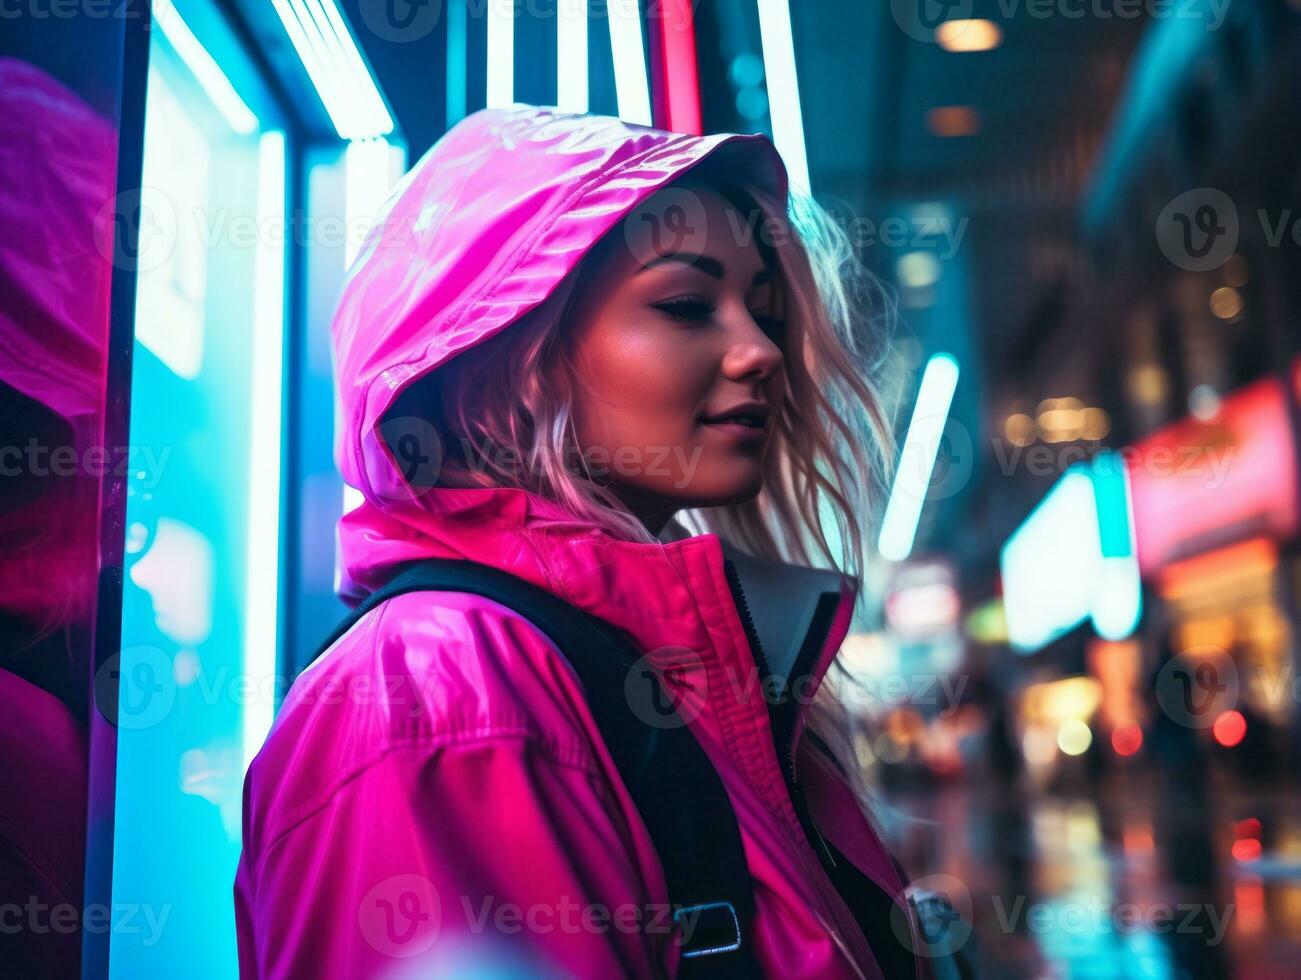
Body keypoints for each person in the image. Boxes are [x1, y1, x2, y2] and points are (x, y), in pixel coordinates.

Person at [235, 105, 931, 979]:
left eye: (760, 308)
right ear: (506, 356)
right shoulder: (437, 692)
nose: (761, 351)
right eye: (685, 303)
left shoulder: (652, 667)